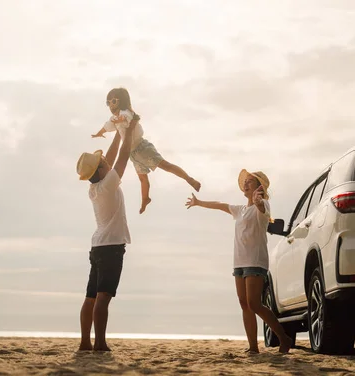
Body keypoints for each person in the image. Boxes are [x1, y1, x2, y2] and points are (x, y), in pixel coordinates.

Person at [185, 169, 292, 354]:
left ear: (259, 187)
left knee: (254, 304)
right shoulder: (240, 210)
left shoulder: (263, 204)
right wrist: (198, 202)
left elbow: (262, 209)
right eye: (245, 181)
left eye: (250, 181)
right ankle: (253, 347)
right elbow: (220, 205)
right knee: (244, 303)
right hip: (239, 262)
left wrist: (259, 202)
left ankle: (284, 338)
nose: (246, 183)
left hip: (255, 261)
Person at [75, 114, 137, 351]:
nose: (105, 162)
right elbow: (121, 159)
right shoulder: (108, 184)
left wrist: (119, 133)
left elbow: (109, 159)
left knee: (90, 297)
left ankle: (85, 342)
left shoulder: (95, 187)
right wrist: (128, 132)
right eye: (102, 163)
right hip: (111, 248)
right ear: (101, 170)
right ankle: (100, 343)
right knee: (103, 297)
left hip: (98, 247)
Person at [92, 87, 201, 214]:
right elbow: (107, 126)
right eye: (108, 102)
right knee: (143, 178)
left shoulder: (125, 113)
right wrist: (99, 133)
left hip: (142, 148)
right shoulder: (113, 119)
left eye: (114, 101)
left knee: (166, 165)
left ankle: (189, 179)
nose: (111, 105)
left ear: (122, 101)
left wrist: (121, 119)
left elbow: (127, 117)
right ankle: (145, 199)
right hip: (133, 154)